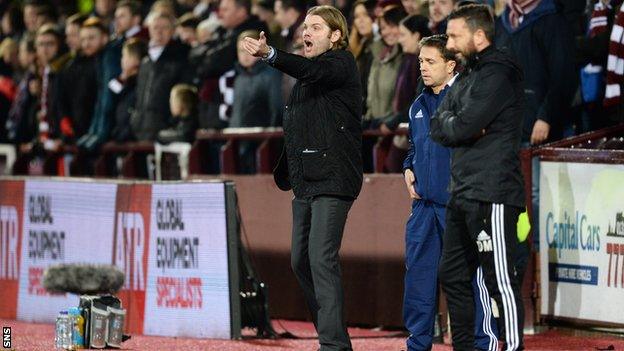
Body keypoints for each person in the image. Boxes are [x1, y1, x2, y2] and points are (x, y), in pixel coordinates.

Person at [242, 5, 362, 351]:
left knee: (321, 258)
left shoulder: (341, 64)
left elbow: (307, 69)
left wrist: (270, 54)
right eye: (305, 27)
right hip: (307, 180)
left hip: (334, 177)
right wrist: (287, 171)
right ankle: (332, 331)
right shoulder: (308, 80)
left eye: (316, 27)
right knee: (301, 261)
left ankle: (333, 344)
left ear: (336, 35)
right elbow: (298, 127)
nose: (306, 33)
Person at [430, 4, 525, 350]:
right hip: (462, 191)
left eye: (455, 35)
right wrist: (462, 126)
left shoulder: (499, 72)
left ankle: (513, 347)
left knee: (499, 279)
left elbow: (463, 124)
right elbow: (438, 124)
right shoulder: (468, 74)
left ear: (479, 36)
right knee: (451, 275)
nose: (449, 43)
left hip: (493, 192)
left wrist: (461, 125)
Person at [402, 34, 498, 351]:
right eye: (420, 62)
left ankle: (481, 344)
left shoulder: (468, 100)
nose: (423, 68)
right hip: (424, 210)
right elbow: (413, 148)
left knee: (470, 281)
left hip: (458, 207)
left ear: (451, 64)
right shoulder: (418, 105)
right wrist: (407, 168)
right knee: (418, 281)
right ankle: (418, 345)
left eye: (430, 62)